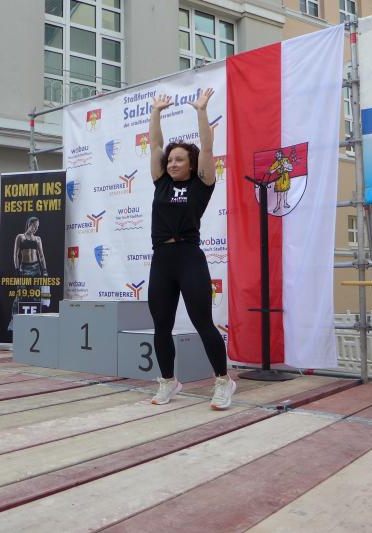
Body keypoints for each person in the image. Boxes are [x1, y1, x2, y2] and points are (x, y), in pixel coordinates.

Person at [147, 88, 235, 410]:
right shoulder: (161, 183)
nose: (172, 163)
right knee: (161, 326)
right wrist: (156, 112)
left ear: (191, 164)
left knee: (202, 322)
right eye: (170, 160)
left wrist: (201, 111)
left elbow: (207, 147)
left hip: (189, 258)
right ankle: (168, 381)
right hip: (162, 259)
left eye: (179, 159)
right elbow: (155, 145)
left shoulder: (201, 185)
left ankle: (223, 381)